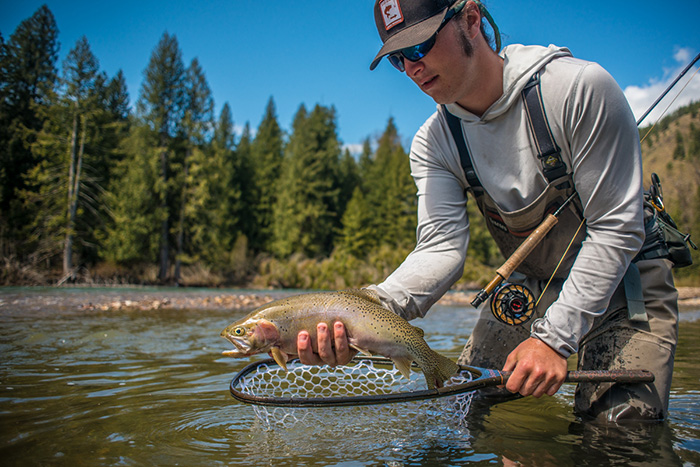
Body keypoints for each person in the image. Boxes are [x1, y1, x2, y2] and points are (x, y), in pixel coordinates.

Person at [297, 0, 679, 422]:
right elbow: (440, 249)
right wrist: (370, 307)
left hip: (627, 282)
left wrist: (552, 341)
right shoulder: (435, 142)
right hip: (527, 287)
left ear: (472, 20)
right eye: (398, 59)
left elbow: (615, 230)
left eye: (420, 45)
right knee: (470, 411)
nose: (412, 68)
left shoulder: (577, 89)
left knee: (620, 435)